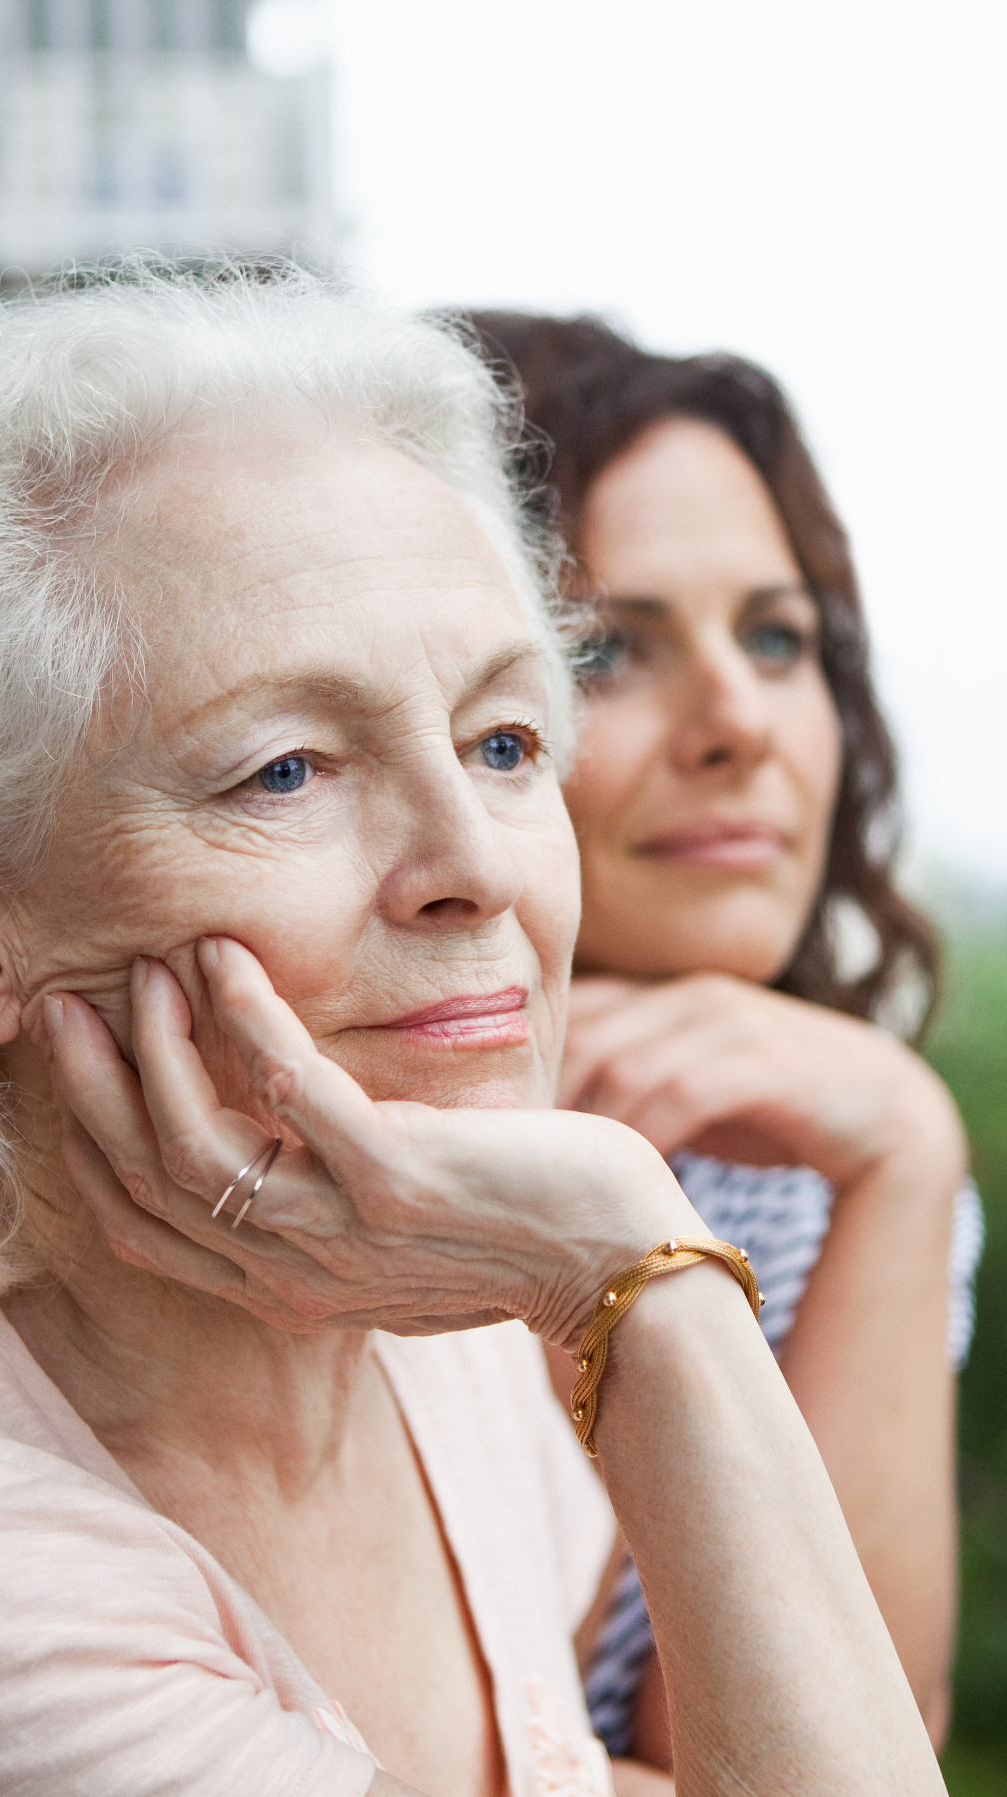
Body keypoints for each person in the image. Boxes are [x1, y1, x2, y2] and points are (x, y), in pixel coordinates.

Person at [0, 265, 947, 1797]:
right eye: (285, 770)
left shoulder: (427, 1309)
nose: (474, 861)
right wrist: (645, 1284)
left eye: (503, 740)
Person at [468, 310, 980, 1779]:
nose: (740, 721)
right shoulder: (301, 1159)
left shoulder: (816, 1158)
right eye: (611, 649)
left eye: (778, 635)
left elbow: (841, 1744)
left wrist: (903, 1152)